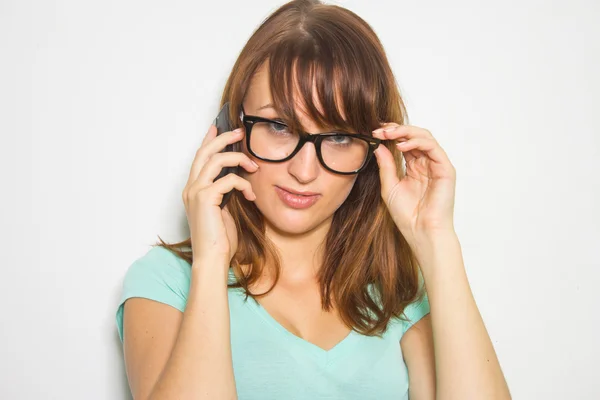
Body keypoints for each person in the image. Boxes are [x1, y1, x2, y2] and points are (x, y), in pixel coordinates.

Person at [115, 1, 511, 399]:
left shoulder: (401, 295)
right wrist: (211, 261)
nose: (304, 171)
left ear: (375, 149)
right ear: (231, 128)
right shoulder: (168, 282)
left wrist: (437, 239)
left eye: (339, 137)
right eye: (279, 126)